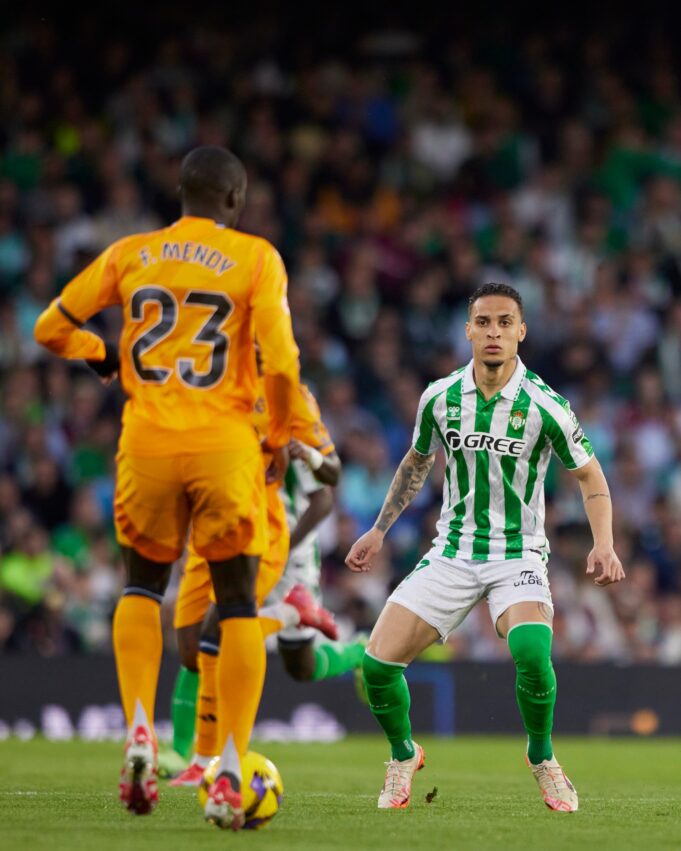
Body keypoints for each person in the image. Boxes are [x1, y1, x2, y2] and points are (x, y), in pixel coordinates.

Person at [34, 145, 301, 830]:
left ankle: (141, 731)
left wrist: (103, 359)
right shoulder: (256, 258)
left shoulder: (131, 253)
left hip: (146, 441)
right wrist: (277, 434)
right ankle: (231, 766)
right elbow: (281, 356)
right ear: (235, 200)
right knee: (237, 601)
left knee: (140, 586)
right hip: (223, 447)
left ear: (179, 194)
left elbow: (50, 327)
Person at [346, 282, 625, 813]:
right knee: (377, 666)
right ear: (469, 330)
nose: (494, 332)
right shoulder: (439, 397)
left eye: (504, 323)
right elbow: (416, 462)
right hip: (452, 551)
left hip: (518, 553)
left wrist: (604, 544)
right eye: (484, 322)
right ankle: (403, 755)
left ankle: (542, 757)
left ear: (521, 332)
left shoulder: (545, 404)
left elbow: (591, 477)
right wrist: (379, 530)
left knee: (532, 653)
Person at [168, 381, 366, 786]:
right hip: (237, 536)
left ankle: (360, 650)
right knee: (206, 638)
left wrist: (283, 549)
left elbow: (325, 497)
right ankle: (183, 751)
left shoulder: (289, 413)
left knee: (300, 666)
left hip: (287, 551)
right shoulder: (225, 399)